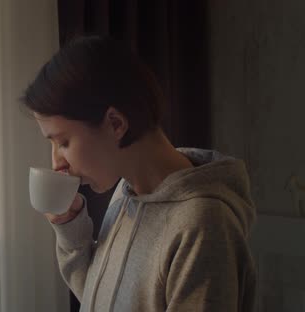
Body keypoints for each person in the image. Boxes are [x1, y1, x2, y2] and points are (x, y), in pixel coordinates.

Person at [20, 35, 257, 311]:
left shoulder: (202, 224)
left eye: (63, 143)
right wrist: (70, 227)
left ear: (115, 123)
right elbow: (103, 299)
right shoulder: (126, 193)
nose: (57, 163)